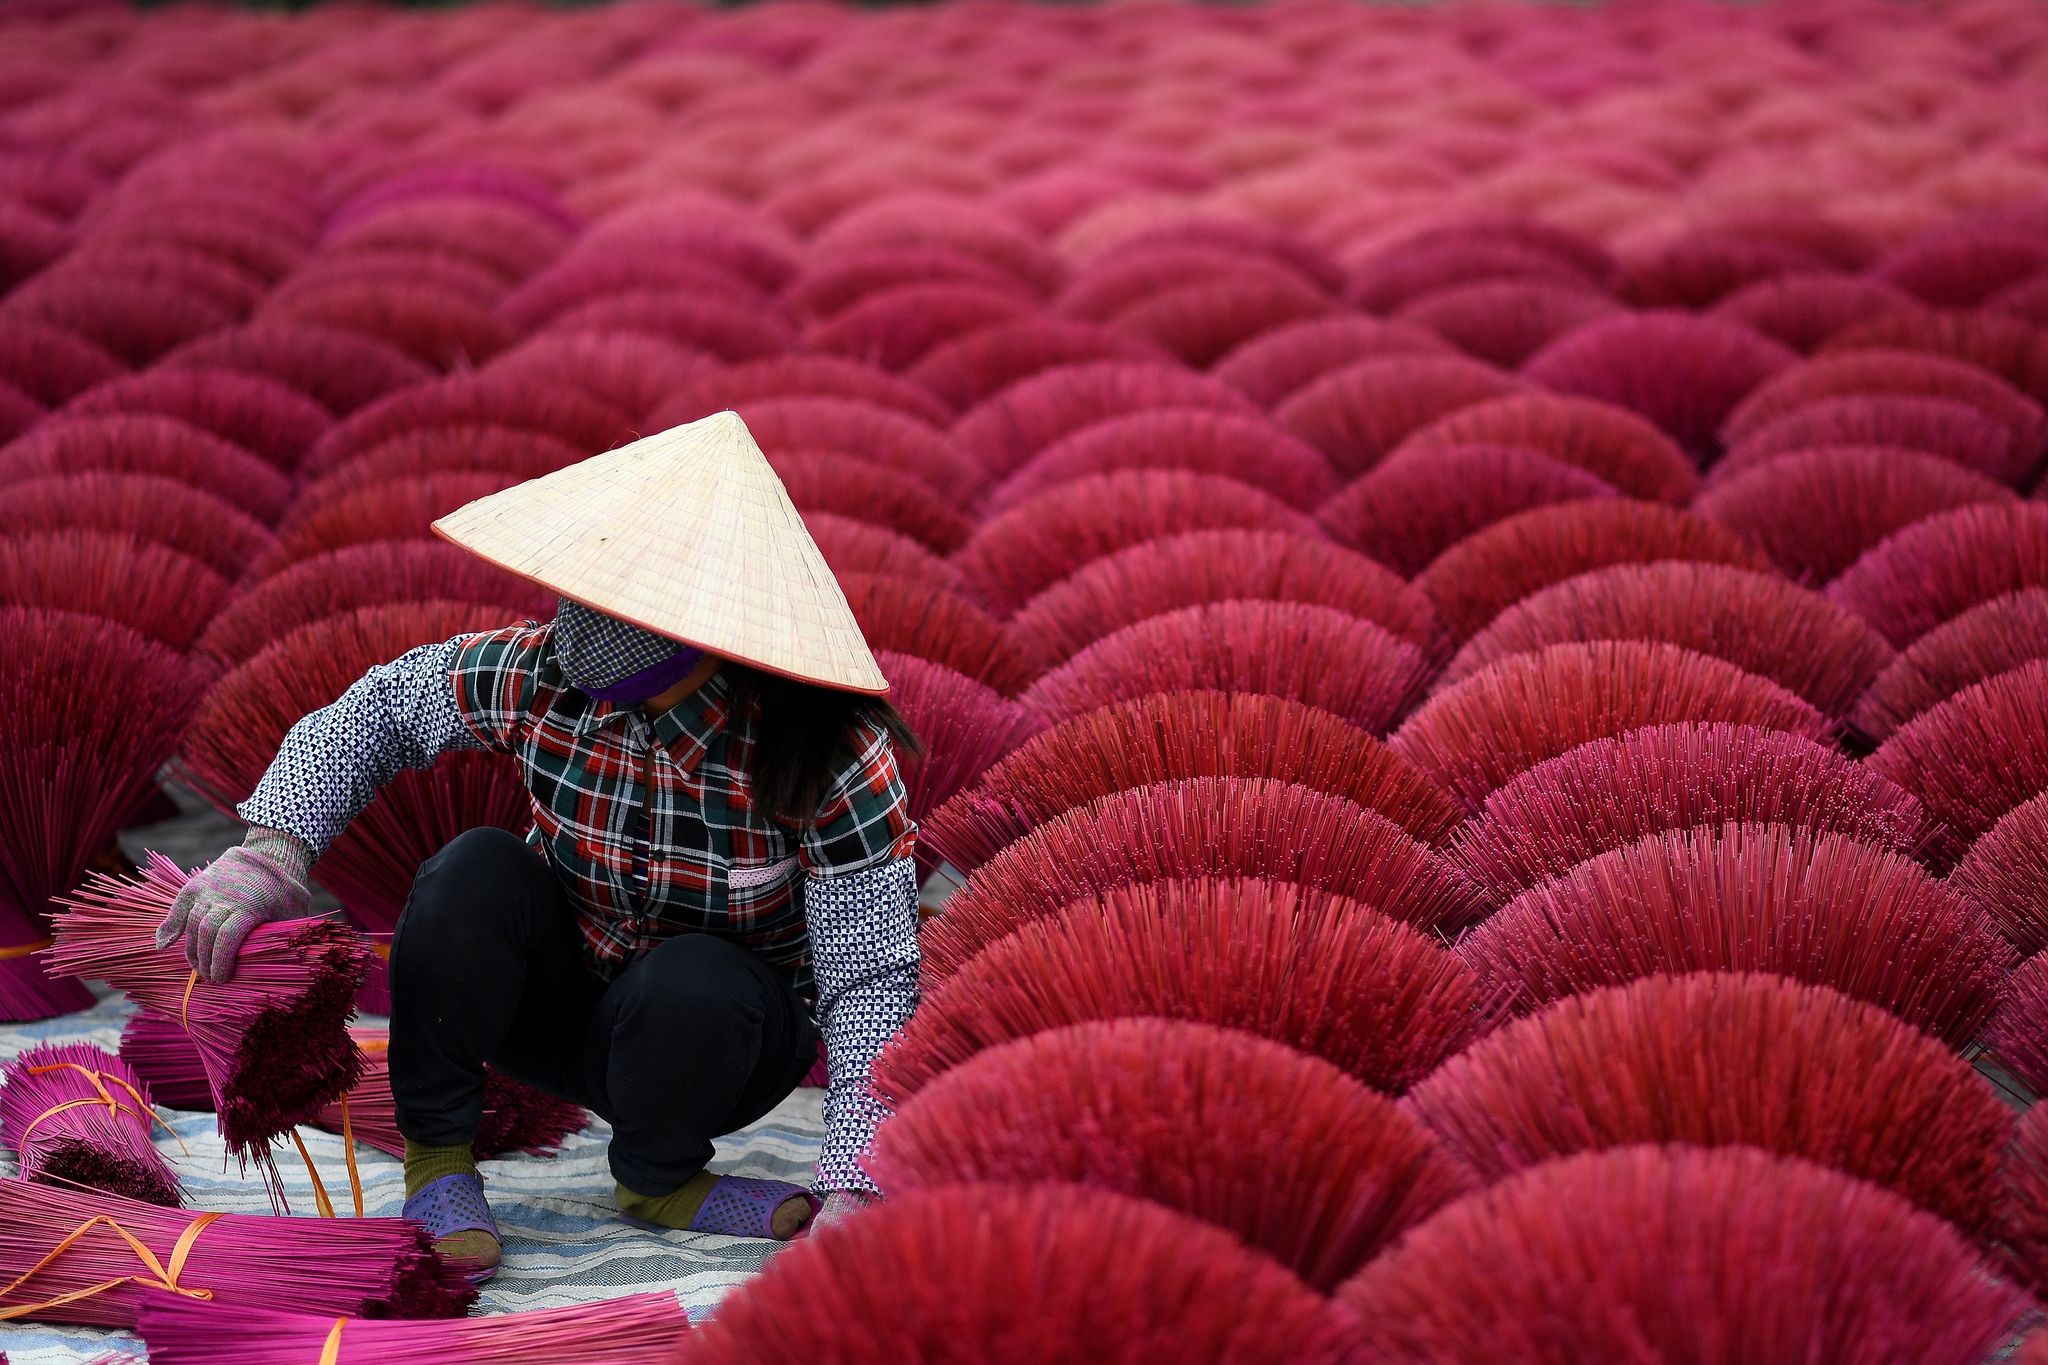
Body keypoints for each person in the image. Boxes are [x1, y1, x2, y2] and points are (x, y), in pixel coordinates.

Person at [155, 411, 924, 1279]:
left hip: (713, 1044)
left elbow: (871, 982)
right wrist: (273, 849)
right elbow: (373, 712)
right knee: (471, 870)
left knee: (696, 982)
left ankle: (659, 1173)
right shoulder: (539, 675)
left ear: (714, 618)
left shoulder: (824, 755)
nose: (580, 617)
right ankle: (440, 1160)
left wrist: (860, 1178)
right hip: (555, 1007)